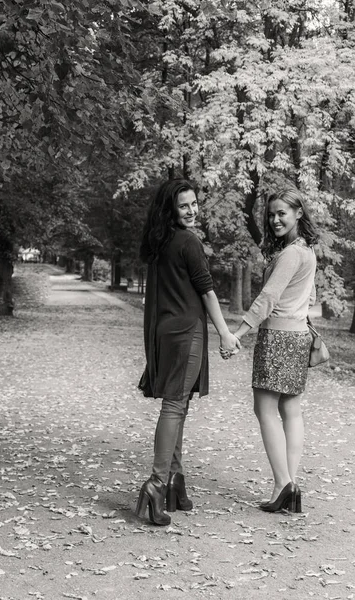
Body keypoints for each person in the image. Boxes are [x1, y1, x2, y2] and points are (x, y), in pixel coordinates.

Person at [136, 178, 240, 526]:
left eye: (195, 203)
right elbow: (208, 293)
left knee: (179, 406)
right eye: (184, 205)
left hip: (165, 332)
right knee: (175, 405)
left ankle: (175, 483)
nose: (193, 210)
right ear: (171, 209)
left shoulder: (159, 242)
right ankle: (156, 482)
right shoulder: (189, 242)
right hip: (186, 332)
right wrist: (225, 334)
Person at [231, 186, 319, 513]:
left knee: (265, 411)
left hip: (279, 338)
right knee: (291, 411)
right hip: (298, 337)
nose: (275, 219)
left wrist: (239, 332)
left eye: (282, 212)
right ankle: (288, 485)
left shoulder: (291, 254)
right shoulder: (307, 252)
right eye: (271, 214)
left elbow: (268, 298)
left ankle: (284, 484)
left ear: (299, 213)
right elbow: (309, 300)